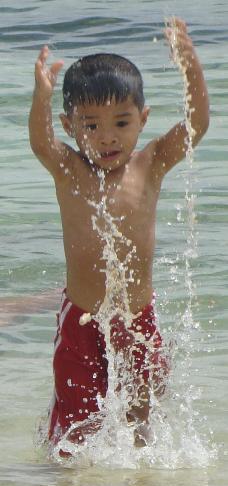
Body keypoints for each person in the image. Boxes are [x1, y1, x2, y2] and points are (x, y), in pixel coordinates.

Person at [29, 17, 209, 452]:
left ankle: (140, 484)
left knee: (142, 413)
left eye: (121, 123)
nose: (106, 137)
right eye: (91, 125)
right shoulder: (69, 169)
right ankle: (66, 482)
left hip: (137, 317)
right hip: (82, 318)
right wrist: (41, 96)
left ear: (143, 119)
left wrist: (191, 67)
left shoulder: (151, 164)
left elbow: (197, 124)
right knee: (74, 423)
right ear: (70, 126)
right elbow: (39, 141)